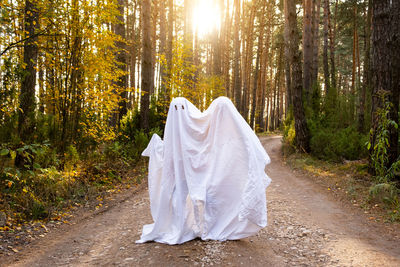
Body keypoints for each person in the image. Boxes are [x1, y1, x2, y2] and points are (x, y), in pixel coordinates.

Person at [136, 96, 271, 245]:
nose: (178, 113)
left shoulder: (198, 127)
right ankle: (184, 224)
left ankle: (210, 225)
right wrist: (158, 149)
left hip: (206, 176)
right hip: (182, 176)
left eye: (181, 109)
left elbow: (205, 146)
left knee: (210, 198)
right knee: (178, 198)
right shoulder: (177, 129)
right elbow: (171, 153)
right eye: (175, 109)